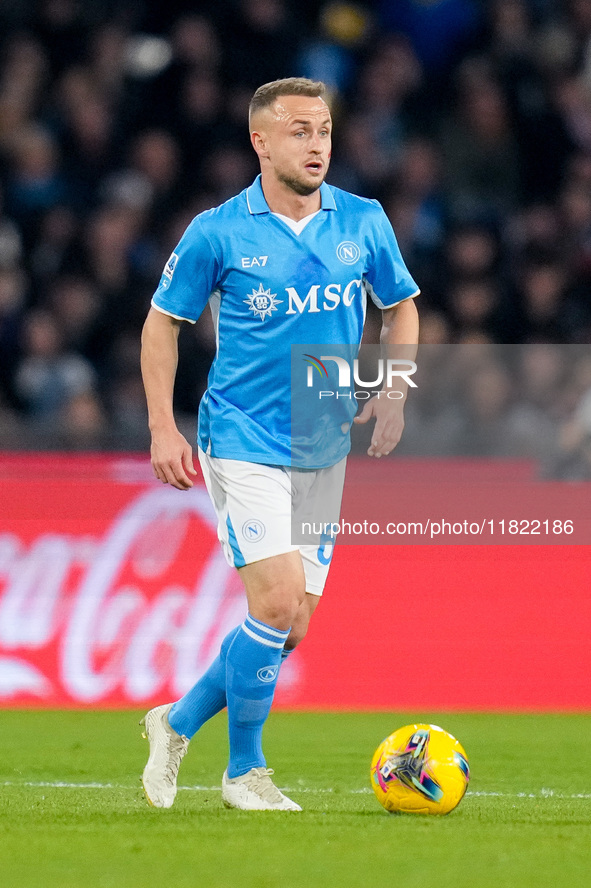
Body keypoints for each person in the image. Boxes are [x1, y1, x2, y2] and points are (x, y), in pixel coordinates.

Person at [139, 77, 420, 812]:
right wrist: (161, 426)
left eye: (323, 129)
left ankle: (175, 722)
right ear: (260, 142)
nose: (316, 143)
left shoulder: (362, 221)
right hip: (241, 434)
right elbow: (162, 322)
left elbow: (401, 309)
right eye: (298, 131)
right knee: (274, 603)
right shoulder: (218, 230)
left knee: (290, 626)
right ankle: (244, 775)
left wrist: (392, 392)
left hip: (322, 444)